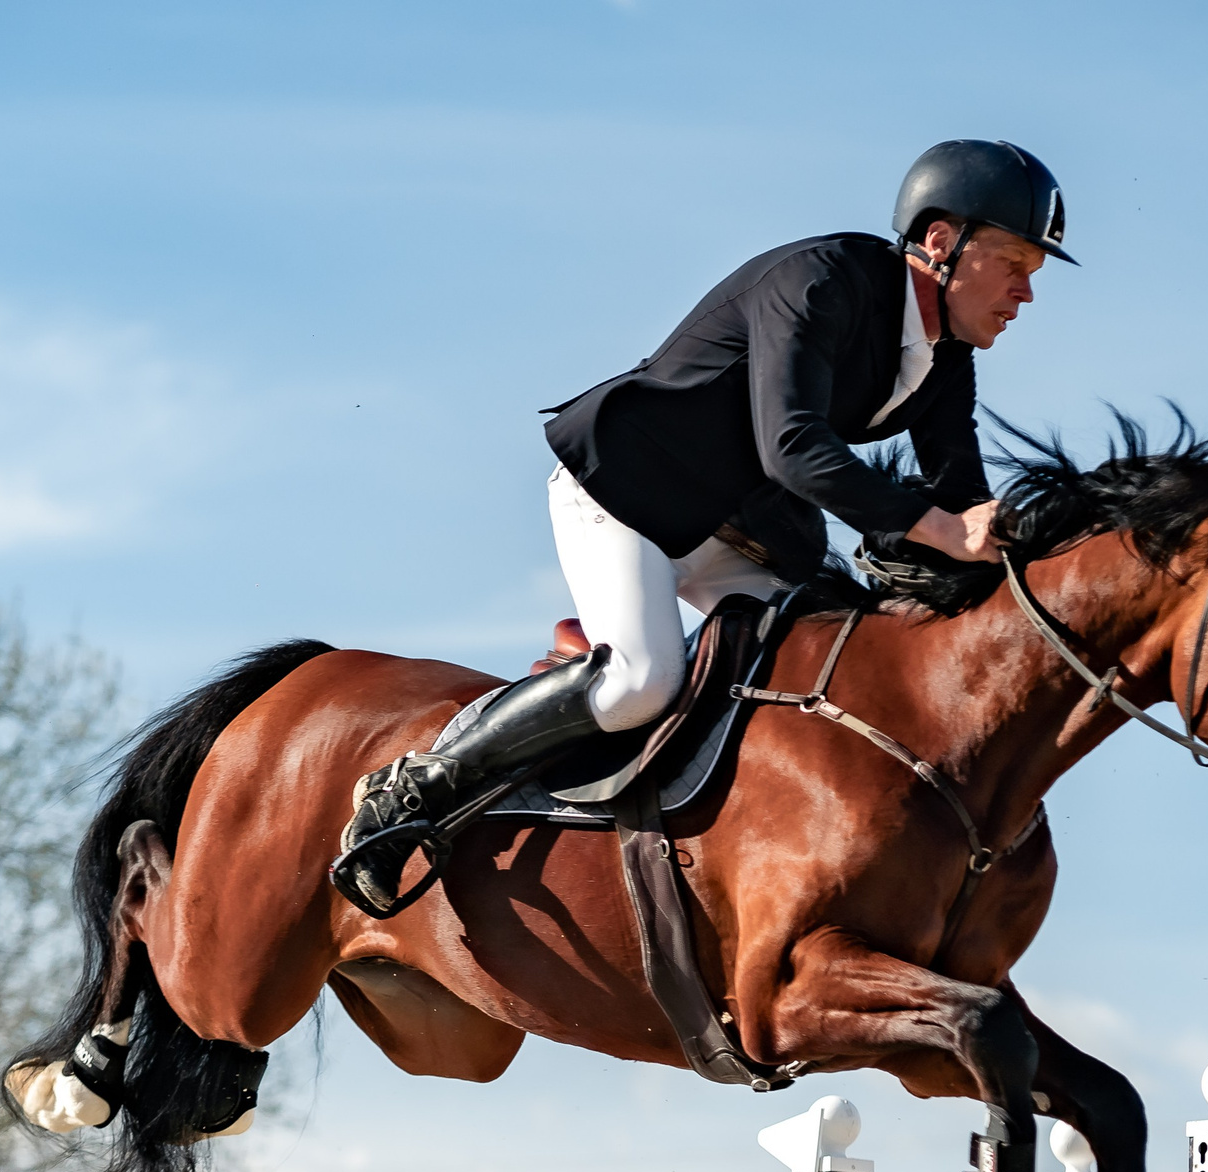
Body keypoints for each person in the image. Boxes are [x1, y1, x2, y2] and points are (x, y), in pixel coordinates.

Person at [332, 140, 1072, 919]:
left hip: (741, 532)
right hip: (627, 493)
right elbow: (793, 446)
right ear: (940, 243)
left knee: (823, 675)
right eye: (1017, 262)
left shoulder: (945, 360)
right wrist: (936, 527)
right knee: (642, 680)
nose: (1026, 293)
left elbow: (959, 504)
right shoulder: (823, 281)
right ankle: (419, 785)